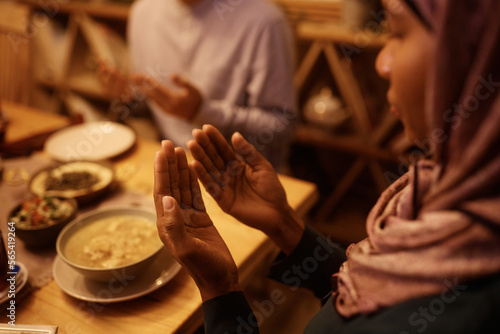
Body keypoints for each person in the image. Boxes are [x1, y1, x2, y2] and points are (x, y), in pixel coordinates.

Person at [153, 0, 500, 332]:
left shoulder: (461, 312)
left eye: (399, 32)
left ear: (479, 53)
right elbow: (365, 295)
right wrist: (286, 225)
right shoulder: (440, 189)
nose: (382, 62)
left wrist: (219, 289)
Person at [99, 0, 297, 170]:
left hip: (240, 172)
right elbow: (152, 109)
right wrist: (127, 98)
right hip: (171, 163)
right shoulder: (143, 12)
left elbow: (282, 125)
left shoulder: (264, 21)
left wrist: (202, 112)